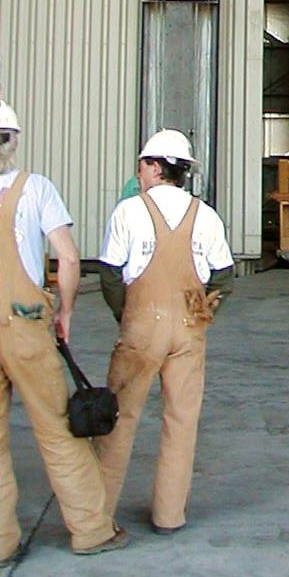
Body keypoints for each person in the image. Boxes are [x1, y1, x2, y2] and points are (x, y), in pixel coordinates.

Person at [0, 100, 127, 565]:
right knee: (57, 428)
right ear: (14, 141)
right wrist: (66, 311)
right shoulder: (38, 190)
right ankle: (91, 530)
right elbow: (68, 258)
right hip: (28, 323)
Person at [94, 129, 235, 534]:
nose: (138, 173)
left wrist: (128, 316)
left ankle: (98, 516)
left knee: (120, 419)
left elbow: (108, 275)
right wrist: (200, 317)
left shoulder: (128, 212)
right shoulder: (205, 215)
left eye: (142, 165)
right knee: (181, 421)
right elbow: (224, 279)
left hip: (142, 327)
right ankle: (169, 516)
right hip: (189, 331)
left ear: (155, 166)